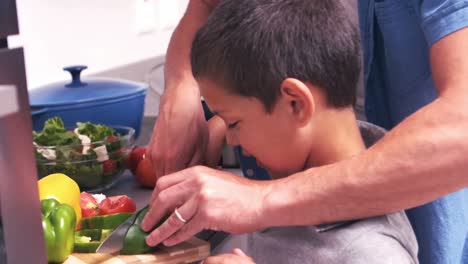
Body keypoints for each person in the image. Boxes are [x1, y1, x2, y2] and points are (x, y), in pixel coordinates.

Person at [144, 0, 468, 263]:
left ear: (296, 104)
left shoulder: (372, 250)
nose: (231, 140)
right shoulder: (285, 177)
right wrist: (181, 85)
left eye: (233, 124)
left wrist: (260, 200)